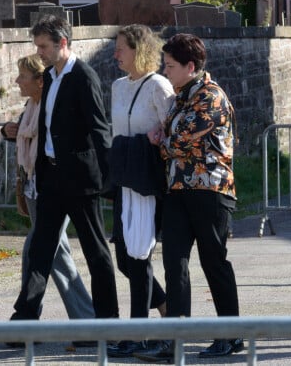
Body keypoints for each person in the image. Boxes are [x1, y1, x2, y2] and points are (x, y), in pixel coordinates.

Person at [8, 15, 119, 330]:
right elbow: (46, 129)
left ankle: (108, 322)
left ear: (63, 43)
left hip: (81, 181)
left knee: (96, 251)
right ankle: (25, 319)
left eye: (43, 46)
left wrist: (110, 178)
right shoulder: (52, 78)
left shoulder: (83, 77)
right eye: (37, 46)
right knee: (41, 250)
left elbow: (99, 129)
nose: (39, 52)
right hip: (52, 180)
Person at [138, 33, 243, 362]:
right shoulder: (180, 97)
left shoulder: (210, 96)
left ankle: (230, 335)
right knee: (174, 264)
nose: (164, 70)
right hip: (179, 189)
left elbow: (181, 140)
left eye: (170, 65)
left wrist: (160, 141)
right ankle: (174, 339)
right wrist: (163, 137)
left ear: (190, 66)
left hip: (210, 189)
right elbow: (172, 134)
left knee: (214, 262)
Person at [1, 55, 95, 329]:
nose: (18, 81)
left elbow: (54, 142)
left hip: (54, 187)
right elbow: (25, 134)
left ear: (40, 81)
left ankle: (27, 319)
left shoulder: (51, 106)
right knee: (56, 254)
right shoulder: (31, 106)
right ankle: (86, 319)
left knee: (36, 250)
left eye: (22, 76)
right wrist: (10, 132)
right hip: (33, 187)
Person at [106, 24, 173, 358]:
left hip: (147, 183)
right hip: (123, 179)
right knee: (124, 258)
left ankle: (138, 334)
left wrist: (157, 137)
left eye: (121, 48)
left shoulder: (158, 86)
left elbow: (172, 128)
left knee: (140, 258)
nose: (116, 53)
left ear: (139, 50)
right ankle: (166, 309)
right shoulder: (118, 87)